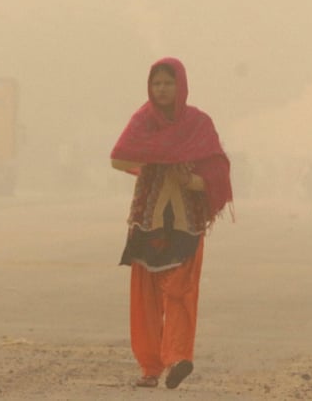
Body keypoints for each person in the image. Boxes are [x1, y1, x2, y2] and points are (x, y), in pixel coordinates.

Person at [110, 57, 232, 390]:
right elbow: (118, 157)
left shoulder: (199, 124)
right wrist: (160, 153)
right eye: (156, 83)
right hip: (147, 220)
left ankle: (178, 358)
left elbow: (217, 173)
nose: (161, 89)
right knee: (145, 296)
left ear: (181, 86)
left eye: (168, 83)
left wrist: (189, 179)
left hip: (186, 223)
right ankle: (150, 367)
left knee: (181, 291)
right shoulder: (142, 121)